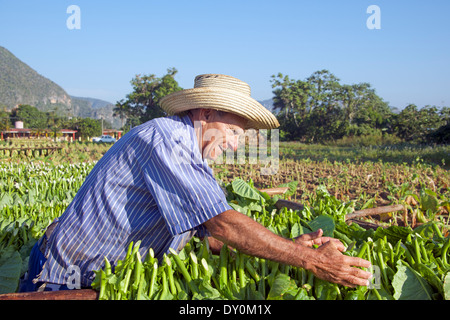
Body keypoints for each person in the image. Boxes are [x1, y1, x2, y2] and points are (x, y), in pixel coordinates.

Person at [20, 74, 371, 292]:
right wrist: (311, 261)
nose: (235, 145)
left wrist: (287, 247)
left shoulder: (194, 160)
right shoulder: (166, 139)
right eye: (234, 131)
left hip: (104, 281)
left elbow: (212, 236)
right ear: (205, 115)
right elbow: (223, 223)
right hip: (64, 277)